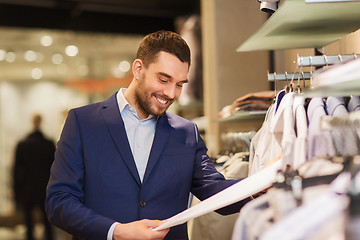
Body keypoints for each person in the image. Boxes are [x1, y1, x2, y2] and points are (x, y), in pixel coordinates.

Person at [45, 30, 250, 240]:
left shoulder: (188, 133)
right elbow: (59, 202)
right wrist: (116, 231)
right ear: (138, 69)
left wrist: (263, 183)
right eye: (163, 80)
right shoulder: (83, 122)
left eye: (179, 84)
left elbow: (216, 191)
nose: (171, 94)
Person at [13, 114, 55, 240]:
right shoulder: (48, 144)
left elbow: (17, 171)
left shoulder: (23, 144)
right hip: (44, 188)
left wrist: (17, 193)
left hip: (27, 189)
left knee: (29, 224)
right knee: (47, 223)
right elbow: (54, 169)